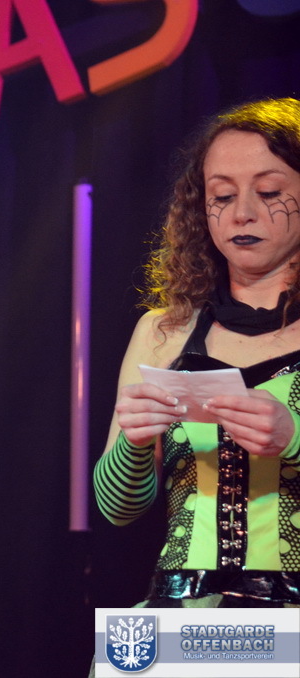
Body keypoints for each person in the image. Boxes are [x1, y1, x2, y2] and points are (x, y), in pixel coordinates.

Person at [93, 97, 300, 610]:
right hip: (182, 613)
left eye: (269, 191)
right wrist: (134, 443)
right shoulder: (163, 332)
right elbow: (116, 509)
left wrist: (293, 438)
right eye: (222, 195)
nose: (242, 212)